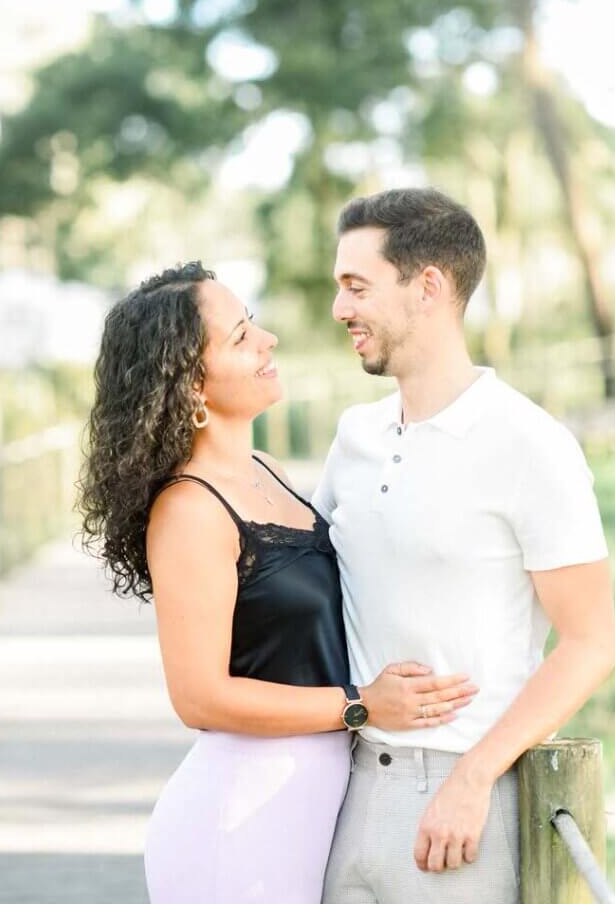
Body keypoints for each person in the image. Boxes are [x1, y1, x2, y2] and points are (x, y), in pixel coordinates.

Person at [76, 261, 479, 904]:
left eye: (254, 324)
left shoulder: (263, 468)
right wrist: (361, 703)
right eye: (240, 337)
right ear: (189, 385)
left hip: (307, 811)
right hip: (239, 824)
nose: (268, 343)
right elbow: (199, 697)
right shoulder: (190, 509)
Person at [314, 187, 615, 904]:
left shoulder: (530, 444)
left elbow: (589, 643)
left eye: (356, 287)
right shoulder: (353, 437)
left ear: (428, 287)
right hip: (341, 783)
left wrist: (474, 776)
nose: (340, 310)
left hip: (457, 810)